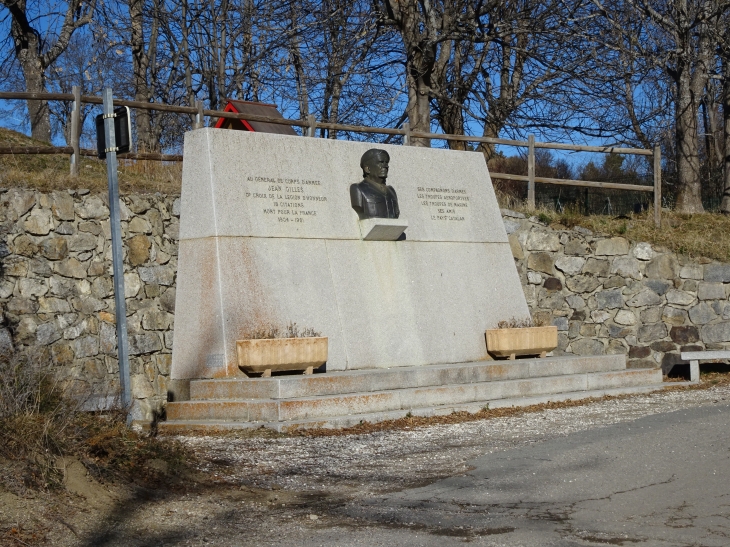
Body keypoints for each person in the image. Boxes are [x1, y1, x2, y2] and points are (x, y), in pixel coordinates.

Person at [350, 149, 400, 219]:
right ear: (367, 169)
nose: (385, 166)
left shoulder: (391, 191)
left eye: (386, 163)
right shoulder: (358, 189)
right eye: (381, 162)